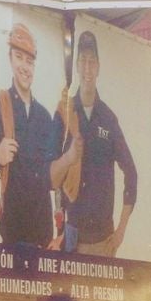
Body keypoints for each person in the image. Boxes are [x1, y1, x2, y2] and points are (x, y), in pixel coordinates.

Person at [0, 24, 82, 246]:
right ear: (10, 59)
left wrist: (61, 232)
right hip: (12, 228)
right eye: (19, 58)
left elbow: (55, 177)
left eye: (30, 61)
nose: (25, 67)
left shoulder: (44, 117)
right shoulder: (0, 103)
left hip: (42, 232)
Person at [53, 31, 137, 256]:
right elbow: (49, 175)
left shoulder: (108, 119)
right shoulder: (64, 113)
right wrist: (68, 158)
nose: (87, 68)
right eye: (83, 61)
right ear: (77, 67)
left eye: (92, 62)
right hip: (70, 237)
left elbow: (131, 172)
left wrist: (121, 230)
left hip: (103, 240)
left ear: (98, 67)